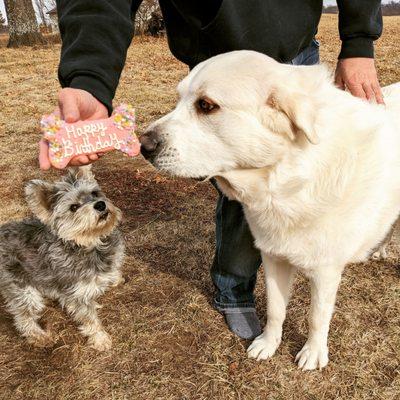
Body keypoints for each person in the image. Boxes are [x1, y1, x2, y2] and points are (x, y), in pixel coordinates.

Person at [39, 1, 383, 340]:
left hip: (294, 57)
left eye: (203, 108)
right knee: (243, 189)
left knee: (313, 187)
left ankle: (322, 264)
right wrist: (90, 79)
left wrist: (359, 40)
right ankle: (234, 291)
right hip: (216, 60)